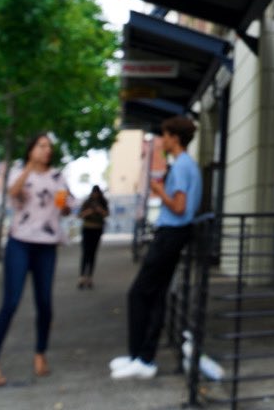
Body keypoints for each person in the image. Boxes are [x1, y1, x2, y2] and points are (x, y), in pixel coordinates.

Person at [109, 115, 201, 381]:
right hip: (175, 234)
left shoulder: (181, 166)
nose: (162, 140)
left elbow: (180, 207)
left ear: (175, 138)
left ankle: (141, 356)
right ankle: (141, 357)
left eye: (165, 135)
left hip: (171, 233)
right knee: (156, 294)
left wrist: (158, 191)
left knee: (139, 293)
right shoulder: (186, 164)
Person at [0, 132, 71, 386]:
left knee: (45, 303)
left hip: (47, 246)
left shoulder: (58, 176)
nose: (46, 150)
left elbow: (66, 206)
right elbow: (13, 193)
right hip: (20, 243)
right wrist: (28, 168)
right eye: (41, 146)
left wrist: (64, 206)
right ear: (31, 149)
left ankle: (40, 354)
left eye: (49, 147)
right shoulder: (18, 172)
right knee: (10, 302)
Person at [77, 185, 109, 289]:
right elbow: (80, 215)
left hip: (97, 229)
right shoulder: (87, 202)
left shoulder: (103, 202)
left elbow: (106, 214)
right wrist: (89, 211)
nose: (95, 195)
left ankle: (89, 277)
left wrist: (99, 210)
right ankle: (82, 276)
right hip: (87, 229)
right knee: (85, 253)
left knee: (92, 253)